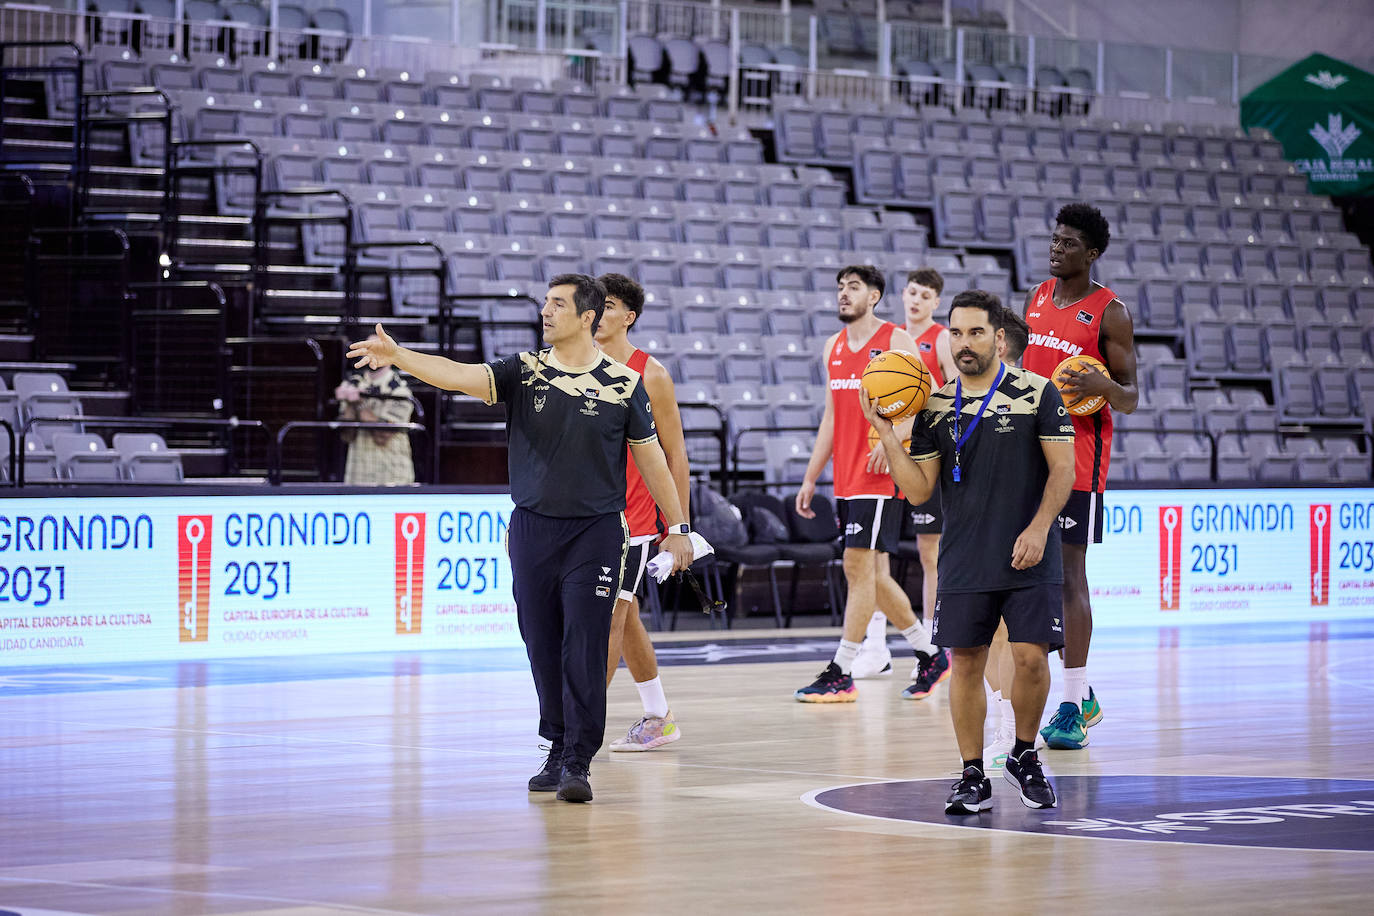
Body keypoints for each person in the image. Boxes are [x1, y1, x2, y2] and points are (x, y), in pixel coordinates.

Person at [347, 275, 694, 803]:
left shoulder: (625, 384)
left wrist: (680, 529)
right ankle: (555, 743)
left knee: (585, 642)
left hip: (597, 533)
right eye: (545, 302)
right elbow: (457, 375)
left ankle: (578, 760)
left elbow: (654, 461)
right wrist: (399, 355)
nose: (545, 311)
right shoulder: (524, 370)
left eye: (557, 304)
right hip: (532, 530)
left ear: (587, 316)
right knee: (541, 643)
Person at [863, 289, 1076, 814]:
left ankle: (1025, 756)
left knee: (1028, 660)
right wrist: (889, 436)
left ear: (998, 337)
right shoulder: (936, 404)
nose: (964, 343)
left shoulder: (1038, 392)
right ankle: (972, 773)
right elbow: (918, 490)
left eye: (975, 332)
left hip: (1030, 552)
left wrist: (1039, 528)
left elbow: (1064, 471)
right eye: (956, 333)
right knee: (965, 665)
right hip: (965, 558)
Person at [793, 265, 947, 703]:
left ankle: (842, 669)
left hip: (880, 476)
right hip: (845, 476)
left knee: (856, 567)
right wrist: (810, 477)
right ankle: (929, 654)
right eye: (840, 287)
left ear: (875, 296)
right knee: (872, 576)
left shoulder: (896, 341)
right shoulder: (832, 347)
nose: (844, 294)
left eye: (854, 287)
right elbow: (830, 417)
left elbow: (931, 396)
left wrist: (896, 437)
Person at [1021, 203, 1139, 750]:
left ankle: (1070, 705)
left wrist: (1102, 384)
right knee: (1028, 576)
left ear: (1091, 253)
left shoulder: (1111, 312)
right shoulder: (1039, 299)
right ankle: (1081, 692)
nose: (1055, 248)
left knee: (1069, 576)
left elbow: (1132, 397)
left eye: (1068, 243)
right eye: (1054, 239)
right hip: (1027, 454)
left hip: (1079, 458)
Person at [594, 273, 690, 752]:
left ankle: (576, 735)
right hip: (581, 517)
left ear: (628, 316)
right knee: (624, 619)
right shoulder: (569, 365)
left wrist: (681, 530)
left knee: (609, 619)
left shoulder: (649, 373)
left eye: (608, 305)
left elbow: (675, 455)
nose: (597, 312)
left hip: (630, 523)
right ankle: (658, 716)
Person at [853, 267, 956, 679]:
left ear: (935, 302)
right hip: (887, 457)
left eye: (925, 295)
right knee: (877, 556)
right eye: (912, 292)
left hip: (924, 456)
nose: (916, 300)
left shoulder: (942, 339)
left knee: (929, 555)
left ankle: (937, 641)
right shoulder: (891, 341)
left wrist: (899, 434)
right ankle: (876, 646)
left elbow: (948, 394)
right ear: (902, 294)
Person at [981, 307, 1030, 770]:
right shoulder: (969, 396)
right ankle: (1003, 726)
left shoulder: (1028, 397)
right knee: (990, 636)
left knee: (1011, 636)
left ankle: (1012, 733)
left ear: (998, 343)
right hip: (980, 528)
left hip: (1017, 528)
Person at [335, 348, 416, 486]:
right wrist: (349, 403)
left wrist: (360, 403)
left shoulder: (400, 390)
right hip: (358, 476)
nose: (371, 352)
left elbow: (382, 435)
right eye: (368, 348)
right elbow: (346, 435)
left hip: (392, 476)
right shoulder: (353, 384)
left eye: (378, 348)